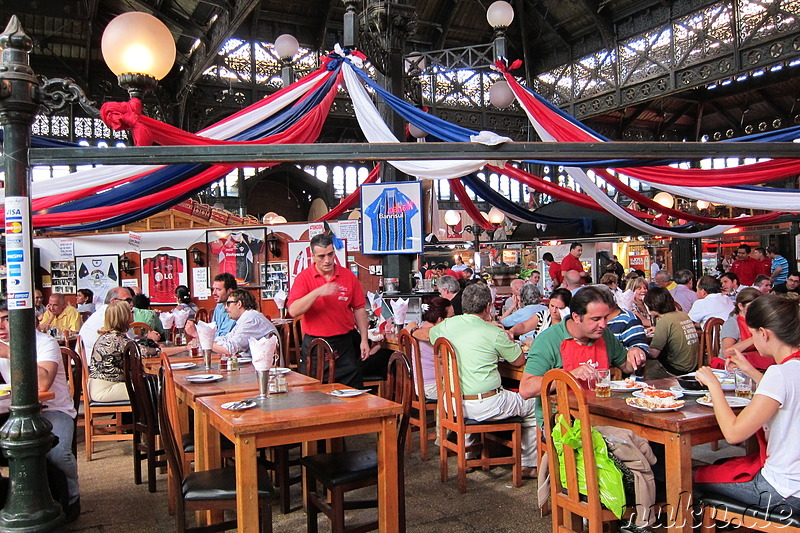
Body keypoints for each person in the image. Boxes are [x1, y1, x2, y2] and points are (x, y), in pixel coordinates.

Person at [694, 295, 800, 519]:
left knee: (689, 478)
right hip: (793, 484)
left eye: (752, 334)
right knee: (724, 464)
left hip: (783, 491)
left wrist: (714, 385)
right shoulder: (789, 370)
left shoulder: (779, 374)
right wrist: (751, 371)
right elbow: (788, 394)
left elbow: (733, 434)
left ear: (764, 333)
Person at [429, 283, 539, 478]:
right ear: (488, 307)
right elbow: (519, 361)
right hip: (484, 404)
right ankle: (529, 464)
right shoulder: (493, 333)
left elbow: (429, 335)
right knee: (533, 405)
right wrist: (507, 338)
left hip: (451, 402)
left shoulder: (444, 326)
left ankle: (469, 453)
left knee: (472, 390)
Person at [0, 300, 80, 522]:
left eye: (6, 319)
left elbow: (43, 383)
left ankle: (71, 500)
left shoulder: (44, 342)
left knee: (57, 454)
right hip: (12, 413)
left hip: (53, 410)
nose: (2, 327)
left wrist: (10, 353)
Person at [520, 286, 645, 425]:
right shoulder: (548, 341)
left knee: (641, 440)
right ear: (576, 317)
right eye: (596, 319)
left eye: (606, 318)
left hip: (603, 415)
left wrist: (635, 353)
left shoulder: (605, 335)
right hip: (561, 421)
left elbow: (626, 367)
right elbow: (526, 389)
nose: (603, 325)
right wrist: (569, 375)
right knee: (627, 442)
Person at [287, 233, 370, 389]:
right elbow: (293, 310)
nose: (327, 260)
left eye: (330, 254)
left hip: (345, 342)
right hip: (316, 344)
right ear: (312, 256)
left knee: (353, 391)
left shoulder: (348, 276)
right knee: (314, 392)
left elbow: (359, 309)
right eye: (321, 256)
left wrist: (364, 339)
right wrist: (318, 292)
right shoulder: (303, 278)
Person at [80, 287, 159, 357]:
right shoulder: (108, 318)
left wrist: (145, 338)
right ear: (113, 301)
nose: (131, 304)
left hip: (93, 366)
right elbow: (131, 347)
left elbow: (130, 339)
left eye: (132, 300)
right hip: (92, 367)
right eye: (127, 301)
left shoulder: (106, 313)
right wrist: (151, 341)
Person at [642, 287, 699, 377]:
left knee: (647, 365)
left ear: (651, 305)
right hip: (692, 367)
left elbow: (654, 353)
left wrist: (639, 349)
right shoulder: (683, 315)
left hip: (676, 369)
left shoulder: (664, 321)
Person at [715, 287, 774, 371]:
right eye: (752, 307)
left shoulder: (759, 321)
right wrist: (755, 337)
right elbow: (727, 352)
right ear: (740, 306)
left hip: (755, 365)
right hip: (733, 367)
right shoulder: (732, 323)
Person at [405, 297, 452, 400]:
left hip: (421, 385)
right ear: (440, 320)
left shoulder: (422, 327)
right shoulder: (433, 333)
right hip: (433, 387)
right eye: (451, 317)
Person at [87, 300, 133, 403]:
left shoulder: (107, 336)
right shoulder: (117, 340)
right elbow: (143, 352)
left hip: (96, 386)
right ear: (124, 317)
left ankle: (129, 418)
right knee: (150, 388)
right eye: (130, 312)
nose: (133, 314)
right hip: (105, 389)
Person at [212, 289, 277, 356]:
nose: (225, 307)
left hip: (264, 365)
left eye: (228, 304)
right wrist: (211, 342)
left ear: (239, 304)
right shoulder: (245, 318)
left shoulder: (251, 319)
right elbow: (227, 338)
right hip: (253, 363)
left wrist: (207, 344)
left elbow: (230, 349)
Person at [185, 272, 237, 339]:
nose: (214, 293)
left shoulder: (236, 309)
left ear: (229, 291)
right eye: (213, 289)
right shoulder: (219, 306)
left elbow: (223, 338)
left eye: (218, 289)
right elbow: (212, 330)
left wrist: (195, 333)